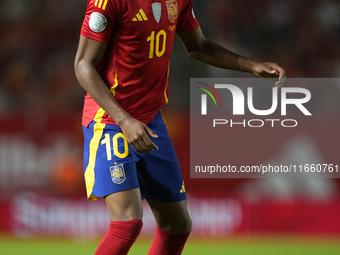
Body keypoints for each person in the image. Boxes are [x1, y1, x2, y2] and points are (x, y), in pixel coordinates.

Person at [74, 0, 285, 254]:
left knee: (177, 224)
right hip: (111, 120)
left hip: (151, 119)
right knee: (128, 221)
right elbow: (83, 65)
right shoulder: (110, 2)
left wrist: (252, 66)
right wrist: (124, 121)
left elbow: (199, 46)